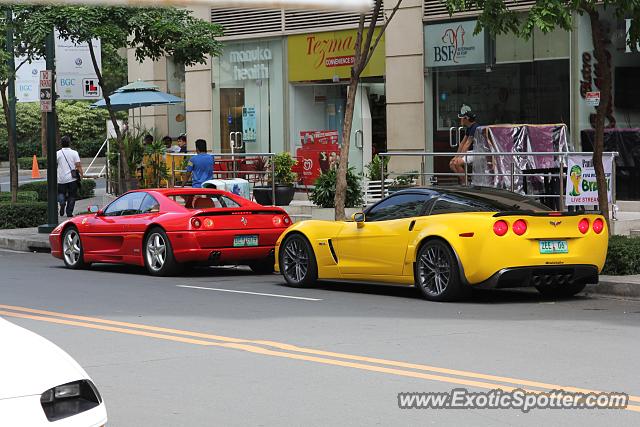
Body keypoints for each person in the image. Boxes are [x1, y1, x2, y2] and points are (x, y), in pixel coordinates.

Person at [449, 105, 479, 183]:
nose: (461, 120)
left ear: (467, 119)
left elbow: (467, 144)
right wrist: (456, 157)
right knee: (452, 163)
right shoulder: (469, 128)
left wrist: (460, 157)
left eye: (462, 118)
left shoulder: (475, 127)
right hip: (472, 152)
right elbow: (462, 143)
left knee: (457, 163)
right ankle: (465, 181)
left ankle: (466, 184)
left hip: (478, 152)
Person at [56, 135, 83, 218]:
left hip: (61, 178)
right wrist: (82, 175)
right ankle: (69, 213)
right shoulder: (74, 153)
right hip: (72, 178)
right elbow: (78, 165)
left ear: (61, 144)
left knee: (61, 193)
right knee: (72, 195)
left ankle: (62, 202)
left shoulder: (57, 153)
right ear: (69, 143)